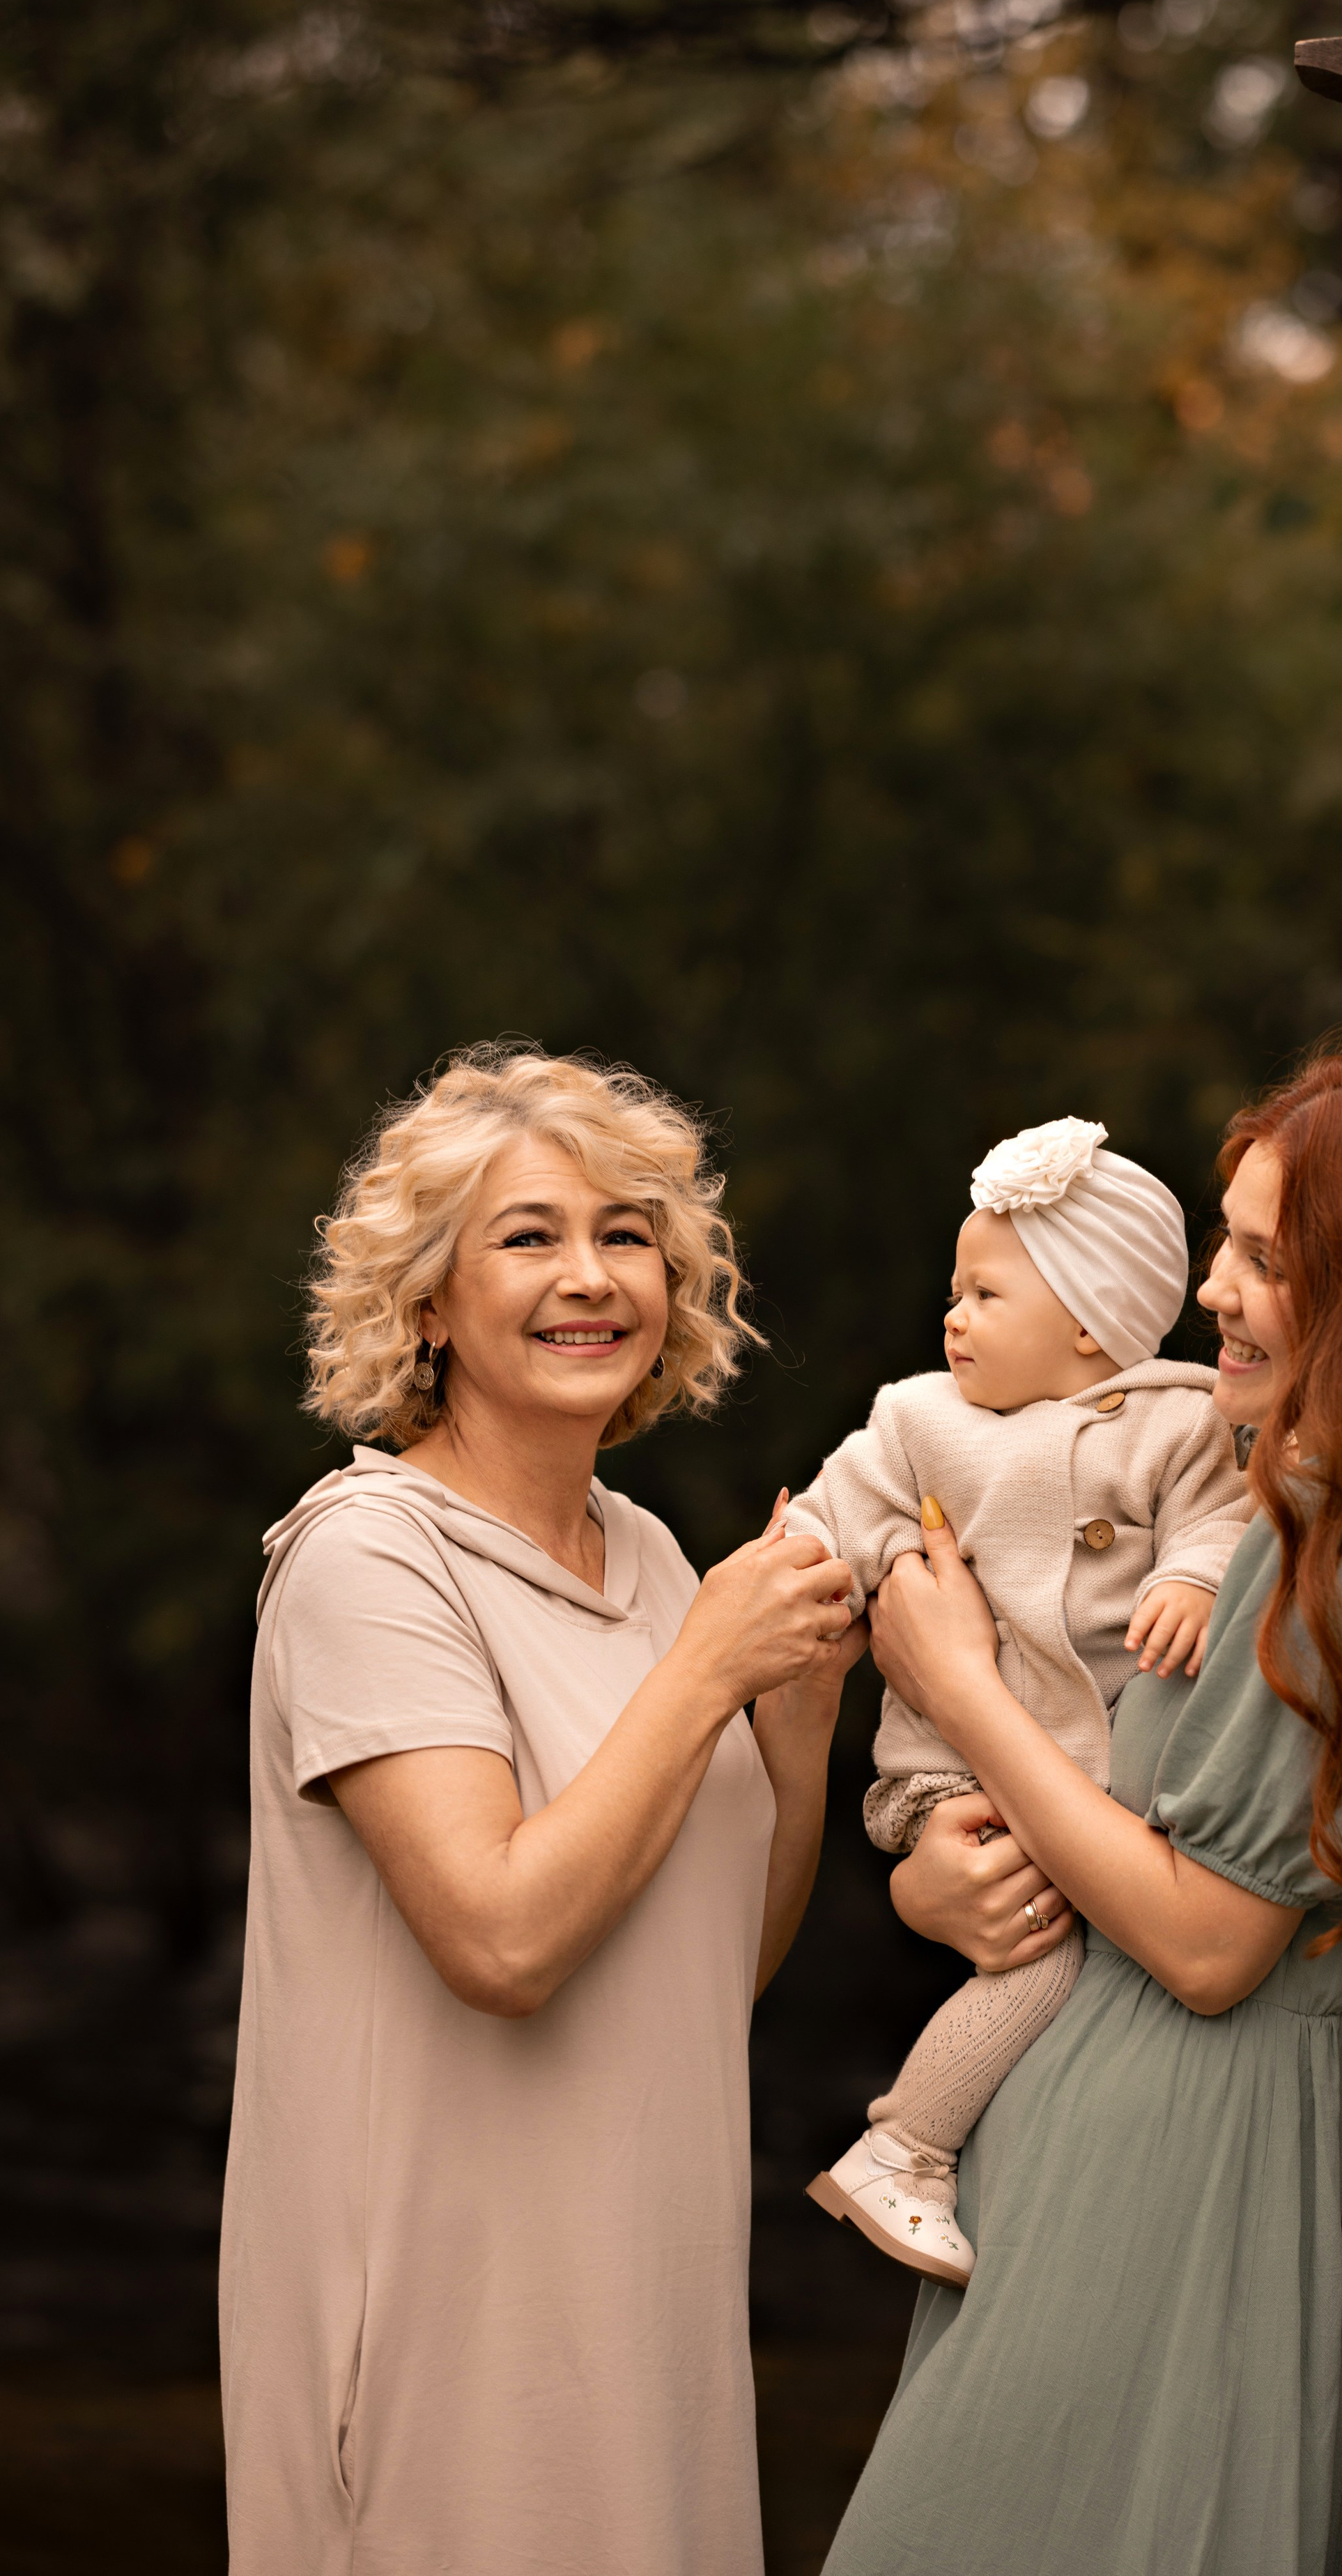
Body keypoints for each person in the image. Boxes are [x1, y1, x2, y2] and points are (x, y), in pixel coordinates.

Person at [822, 1032, 1342, 2576]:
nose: (1210, 1291)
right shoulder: (1274, 1505)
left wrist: (956, 1682)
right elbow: (1109, 1825)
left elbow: (1211, 1943)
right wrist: (926, 1877)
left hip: (1182, 2168)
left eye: (1262, 1260)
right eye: (1224, 1244)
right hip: (1099, 2130)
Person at [219, 1045, 861, 2576]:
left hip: (649, 2324)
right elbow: (501, 1940)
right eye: (529, 1235)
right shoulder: (370, 1558)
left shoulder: (650, 1556)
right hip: (453, 2339)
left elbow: (713, 1969)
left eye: (625, 1234)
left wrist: (799, 1724)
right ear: (430, 1302)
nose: (590, 1276)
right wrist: (709, 1669)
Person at [790, 1117, 1250, 2283]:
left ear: (1090, 1321)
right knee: (1044, 1956)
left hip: (1083, 1776)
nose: (952, 1316)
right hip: (945, 1767)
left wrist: (1193, 1577)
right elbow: (832, 1520)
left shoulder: (1184, 1420)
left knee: (1081, 1946)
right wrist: (799, 1564)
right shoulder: (920, 1419)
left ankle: (965, 2158)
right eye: (956, 1292)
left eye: (985, 1295)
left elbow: (1223, 1517)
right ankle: (904, 2147)